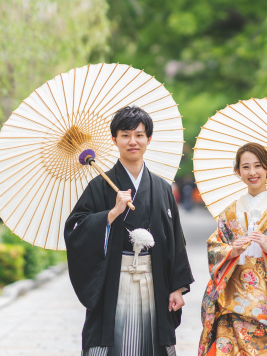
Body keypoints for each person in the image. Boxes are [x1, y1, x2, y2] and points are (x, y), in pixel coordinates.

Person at [65, 105, 194, 356]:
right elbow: (75, 229)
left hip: (153, 278)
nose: (132, 141)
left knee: (150, 343)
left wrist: (177, 287)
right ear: (114, 140)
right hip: (114, 278)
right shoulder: (99, 186)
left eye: (139, 135)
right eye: (125, 135)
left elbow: (175, 240)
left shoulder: (161, 188)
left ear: (149, 139)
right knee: (112, 341)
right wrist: (111, 214)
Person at [198, 142, 267, 356]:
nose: (252, 172)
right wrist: (231, 251)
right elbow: (215, 247)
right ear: (238, 171)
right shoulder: (229, 212)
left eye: (258, 166)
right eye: (246, 167)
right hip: (233, 298)